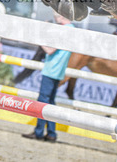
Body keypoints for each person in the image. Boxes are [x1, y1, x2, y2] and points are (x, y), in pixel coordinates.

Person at [22, 13, 74, 142]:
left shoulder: (63, 30)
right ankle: (51, 133)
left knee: (43, 102)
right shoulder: (72, 29)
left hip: (51, 69)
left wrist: (40, 39)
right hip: (59, 70)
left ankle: (39, 132)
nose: (56, 19)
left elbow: (50, 50)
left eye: (56, 17)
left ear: (61, 16)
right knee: (50, 102)